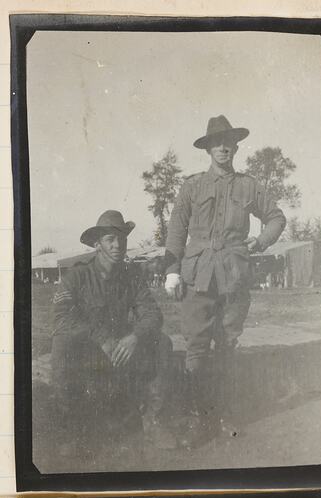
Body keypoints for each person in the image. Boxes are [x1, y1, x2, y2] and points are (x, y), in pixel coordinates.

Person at [165, 115, 286, 448]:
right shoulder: (191, 186)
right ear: (208, 148)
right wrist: (171, 269)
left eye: (227, 141)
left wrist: (261, 241)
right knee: (196, 347)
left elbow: (276, 217)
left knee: (228, 345)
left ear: (235, 146)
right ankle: (200, 418)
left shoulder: (249, 185)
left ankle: (225, 415)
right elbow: (176, 229)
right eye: (216, 142)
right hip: (197, 276)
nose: (222, 147)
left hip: (233, 276)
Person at [51, 210, 175, 467]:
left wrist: (135, 337)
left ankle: (154, 420)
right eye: (110, 239)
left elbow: (152, 314)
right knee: (61, 344)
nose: (118, 245)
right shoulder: (77, 276)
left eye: (122, 239)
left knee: (162, 342)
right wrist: (101, 338)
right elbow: (61, 319)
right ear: (97, 244)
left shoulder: (132, 277)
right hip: (90, 352)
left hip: (122, 351)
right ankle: (73, 430)